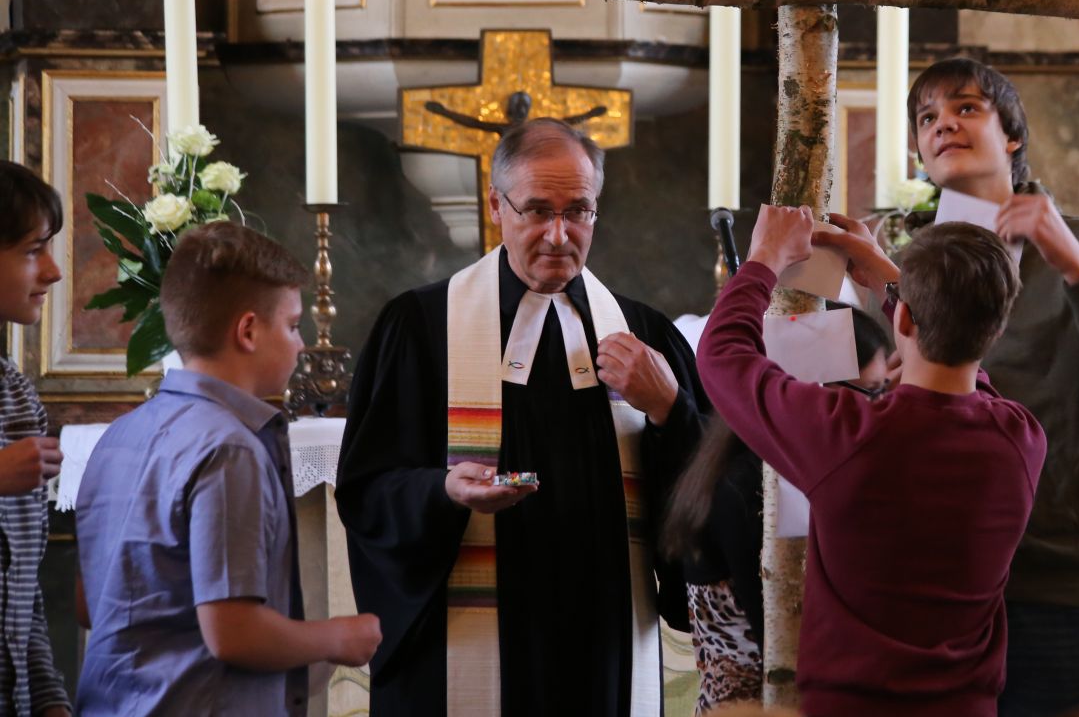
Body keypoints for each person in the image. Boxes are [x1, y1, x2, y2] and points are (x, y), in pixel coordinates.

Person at [818, 56, 1079, 716]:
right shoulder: (918, 262)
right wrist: (890, 291)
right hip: (928, 593)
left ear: (1011, 134)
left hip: (1045, 592)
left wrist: (1073, 264)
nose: (942, 125)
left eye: (965, 108)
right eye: (927, 118)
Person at [337, 118, 706, 716]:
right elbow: (367, 490)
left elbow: (708, 486)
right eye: (537, 210)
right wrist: (441, 491)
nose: (559, 235)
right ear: (495, 206)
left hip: (604, 636)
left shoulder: (643, 333)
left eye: (578, 211)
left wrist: (669, 408)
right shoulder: (422, 330)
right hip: (463, 642)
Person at [701, 206, 1046, 716]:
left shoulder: (850, 435)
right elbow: (968, 374)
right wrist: (890, 276)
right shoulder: (1020, 438)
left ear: (902, 317)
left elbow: (723, 356)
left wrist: (764, 259)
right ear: (995, 331)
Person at [74, 222, 381, 716]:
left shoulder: (119, 436)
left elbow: (92, 606)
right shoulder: (229, 447)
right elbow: (232, 633)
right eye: (292, 325)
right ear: (249, 331)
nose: (302, 346)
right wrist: (338, 635)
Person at [662, 305, 892, 714]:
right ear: (813, 387)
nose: (880, 412)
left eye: (885, 393)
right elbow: (784, 642)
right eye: (871, 393)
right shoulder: (749, 485)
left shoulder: (776, 467)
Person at [0, 163, 70, 717]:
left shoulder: (16, 392)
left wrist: (48, 700)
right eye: (32, 250)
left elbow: (23, 593)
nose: (54, 272)